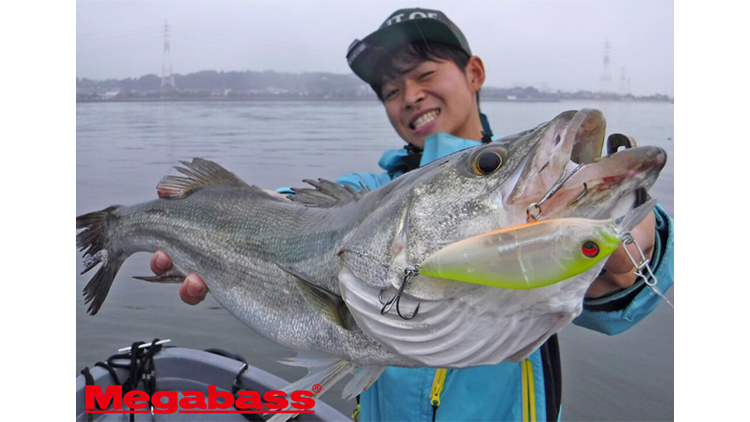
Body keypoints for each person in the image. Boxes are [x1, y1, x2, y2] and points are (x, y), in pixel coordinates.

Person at [150, 8, 674, 421]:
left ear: (474, 73)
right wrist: (235, 214)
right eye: (391, 91)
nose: (410, 97)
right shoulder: (369, 192)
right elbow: (292, 210)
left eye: (425, 74)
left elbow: (618, 292)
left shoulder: (536, 199)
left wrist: (635, 241)